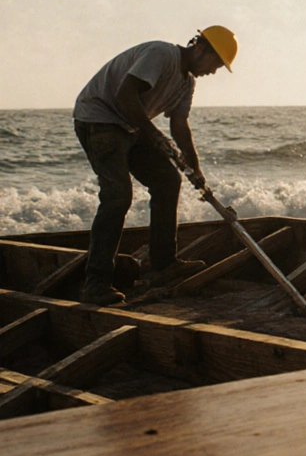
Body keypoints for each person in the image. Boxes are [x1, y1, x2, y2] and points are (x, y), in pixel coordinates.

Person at [72, 26, 238, 305]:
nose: (213, 72)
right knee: (118, 195)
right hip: (99, 118)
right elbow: (126, 95)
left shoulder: (187, 83)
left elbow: (179, 125)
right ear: (200, 48)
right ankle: (96, 282)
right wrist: (155, 135)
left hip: (130, 126)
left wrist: (195, 169)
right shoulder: (161, 54)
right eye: (216, 64)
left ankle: (163, 264)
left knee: (168, 181)